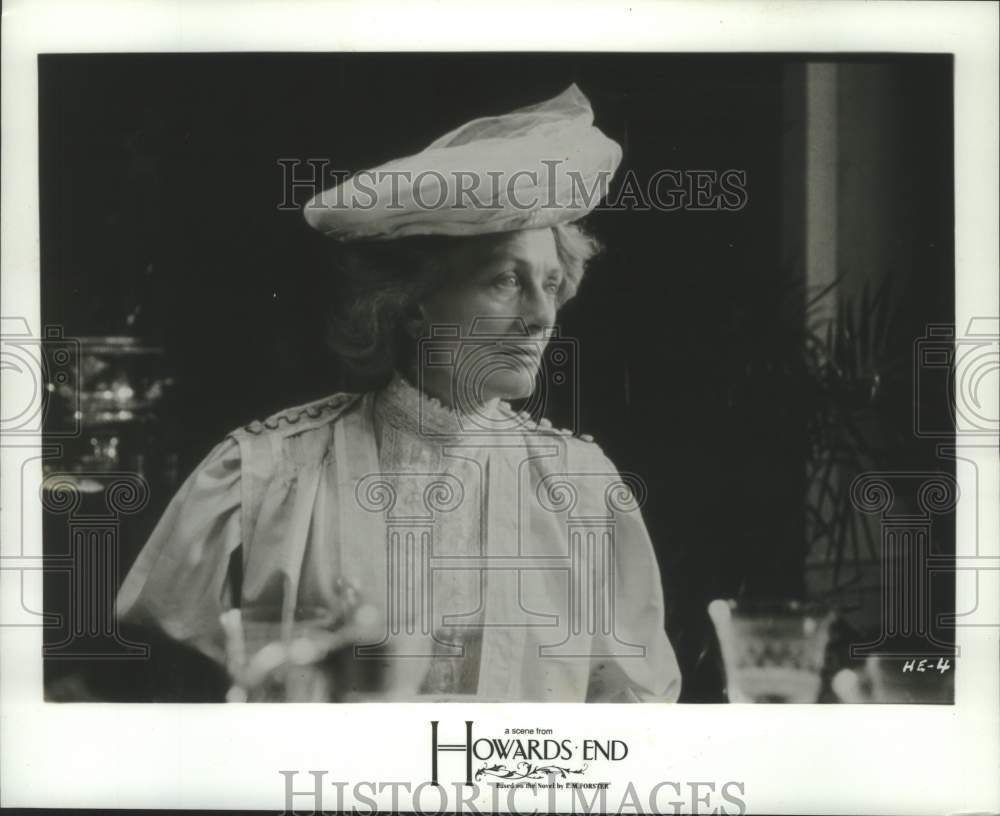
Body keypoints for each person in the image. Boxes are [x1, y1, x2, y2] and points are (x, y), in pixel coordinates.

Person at [116, 83, 681, 702]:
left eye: (550, 283)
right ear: (411, 304)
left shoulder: (583, 489)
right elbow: (165, 685)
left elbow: (632, 708)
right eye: (505, 282)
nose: (543, 315)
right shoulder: (268, 472)